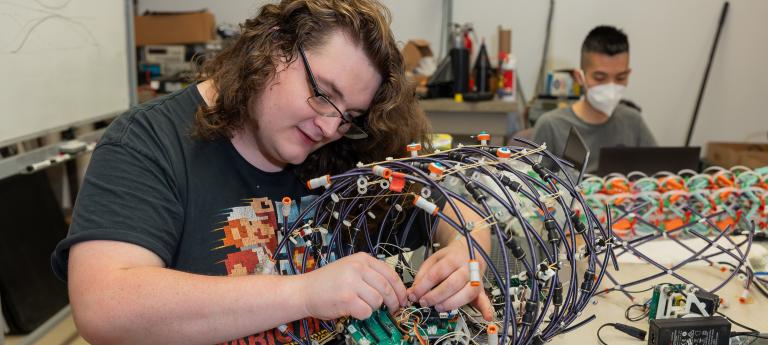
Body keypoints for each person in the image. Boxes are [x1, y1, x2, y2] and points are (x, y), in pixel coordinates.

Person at [51, 1, 492, 344]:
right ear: (273, 48)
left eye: (350, 115)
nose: (328, 127)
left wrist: (469, 248)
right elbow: (104, 307)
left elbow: (451, 206)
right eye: (322, 93)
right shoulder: (148, 141)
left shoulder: (345, 151)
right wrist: (303, 294)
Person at [533, 25, 656, 173]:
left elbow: (657, 176)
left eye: (620, 77)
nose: (610, 87)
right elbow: (530, 187)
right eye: (599, 78)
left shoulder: (633, 122)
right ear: (579, 77)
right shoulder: (552, 126)